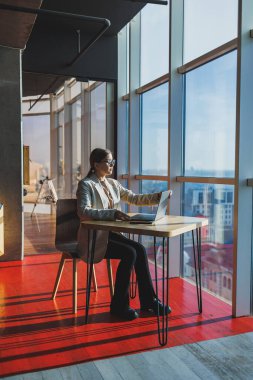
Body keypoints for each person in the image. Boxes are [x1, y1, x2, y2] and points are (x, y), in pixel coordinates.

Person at [76, 148, 171, 321]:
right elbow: (83, 211)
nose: (112, 164)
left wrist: (158, 197)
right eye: (108, 161)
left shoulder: (113, 184)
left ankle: (149, 300)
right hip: (95, 237)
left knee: (140, 250)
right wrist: (112, 213)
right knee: (130, 252)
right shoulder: (86, 184)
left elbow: (134, 198)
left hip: (111, 234)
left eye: (112, 161)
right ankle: (119, 305)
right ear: (95, 164)